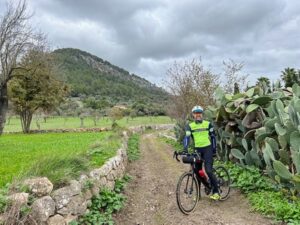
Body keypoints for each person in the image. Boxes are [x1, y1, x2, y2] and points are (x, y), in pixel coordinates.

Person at [183, 105, 220, 200]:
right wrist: (185, 149)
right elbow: (187, 137)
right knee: (197, 172)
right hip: (197, 150)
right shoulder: (190, 126)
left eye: (199, 112)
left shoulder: (208, 124)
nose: (198, 114)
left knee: (208, 170)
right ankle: (198, 194)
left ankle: (216, 192)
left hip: (207, 149)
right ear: (193, 115)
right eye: (196, 113)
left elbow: (213, 138)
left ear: (202, 114)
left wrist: (214, 150)